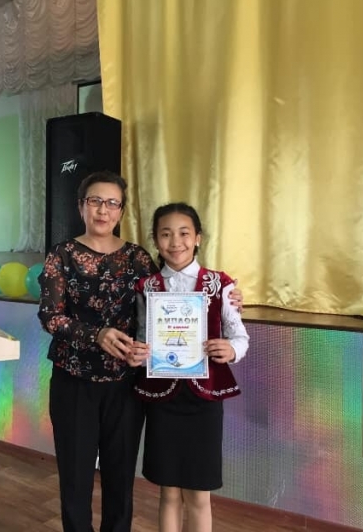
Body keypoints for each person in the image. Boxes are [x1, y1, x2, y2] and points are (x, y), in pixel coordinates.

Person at [37, 172, 244, 532]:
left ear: (121, 211)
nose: (103, 210)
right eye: (95, 201)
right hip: (74, 381)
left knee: (120, 479)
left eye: (112, 203)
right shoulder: (62, 254)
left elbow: (171, 296)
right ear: (81, 206)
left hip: (126, 385)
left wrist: (231, 295)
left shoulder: (137, 258)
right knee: (75, 477)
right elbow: (50, 316)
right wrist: (96, 334)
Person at [128, 202, 250, 532]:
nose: (175, 242)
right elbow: (143, 337)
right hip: (162, 400)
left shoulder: (220, 284)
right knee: (168, 492)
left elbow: (239, 336)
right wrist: (138, 354)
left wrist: (231, 350)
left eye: (184, 233)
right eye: (165, 234)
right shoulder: (146, 286)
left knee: (199, 494)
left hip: (204, 401)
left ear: (198, 238)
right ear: (155, 240)